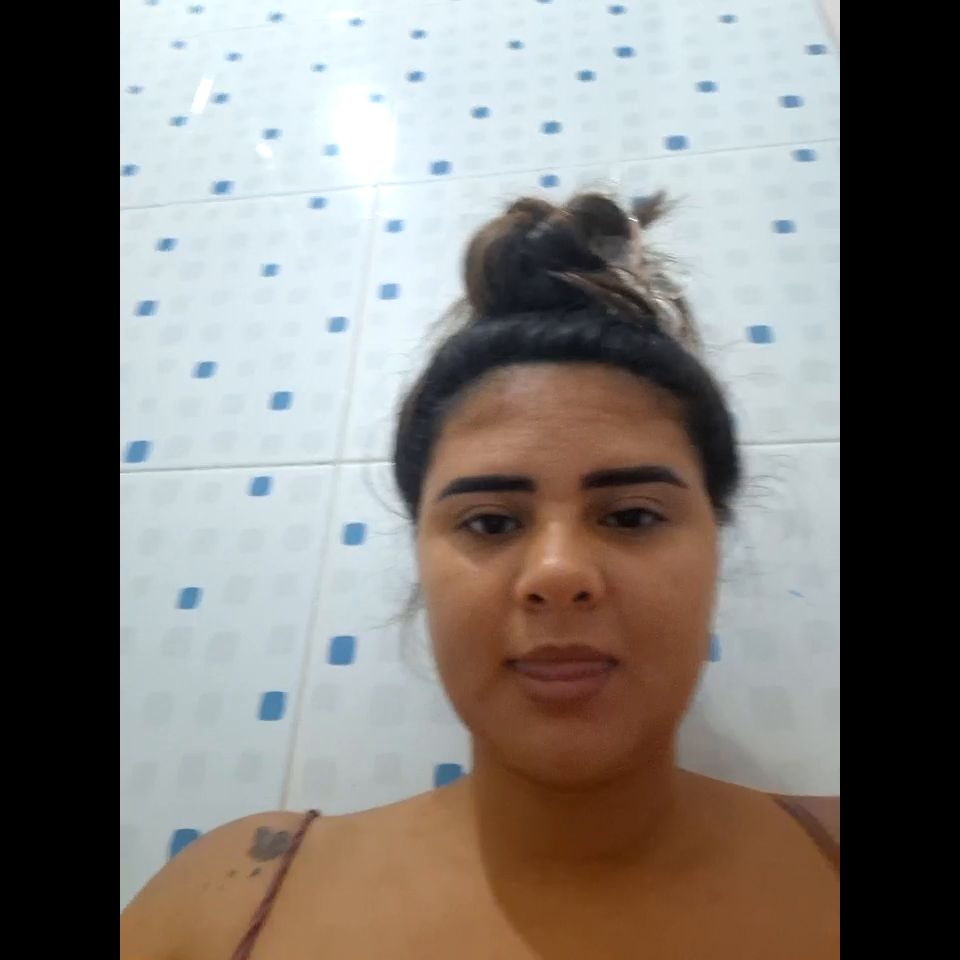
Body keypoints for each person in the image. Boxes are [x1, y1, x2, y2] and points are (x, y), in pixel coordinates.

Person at [120, 192, 840, 960]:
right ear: (421, 559)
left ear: (714, 545)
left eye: (632, 516)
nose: (558, 573)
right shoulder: (226, 904)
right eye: (491, 523)